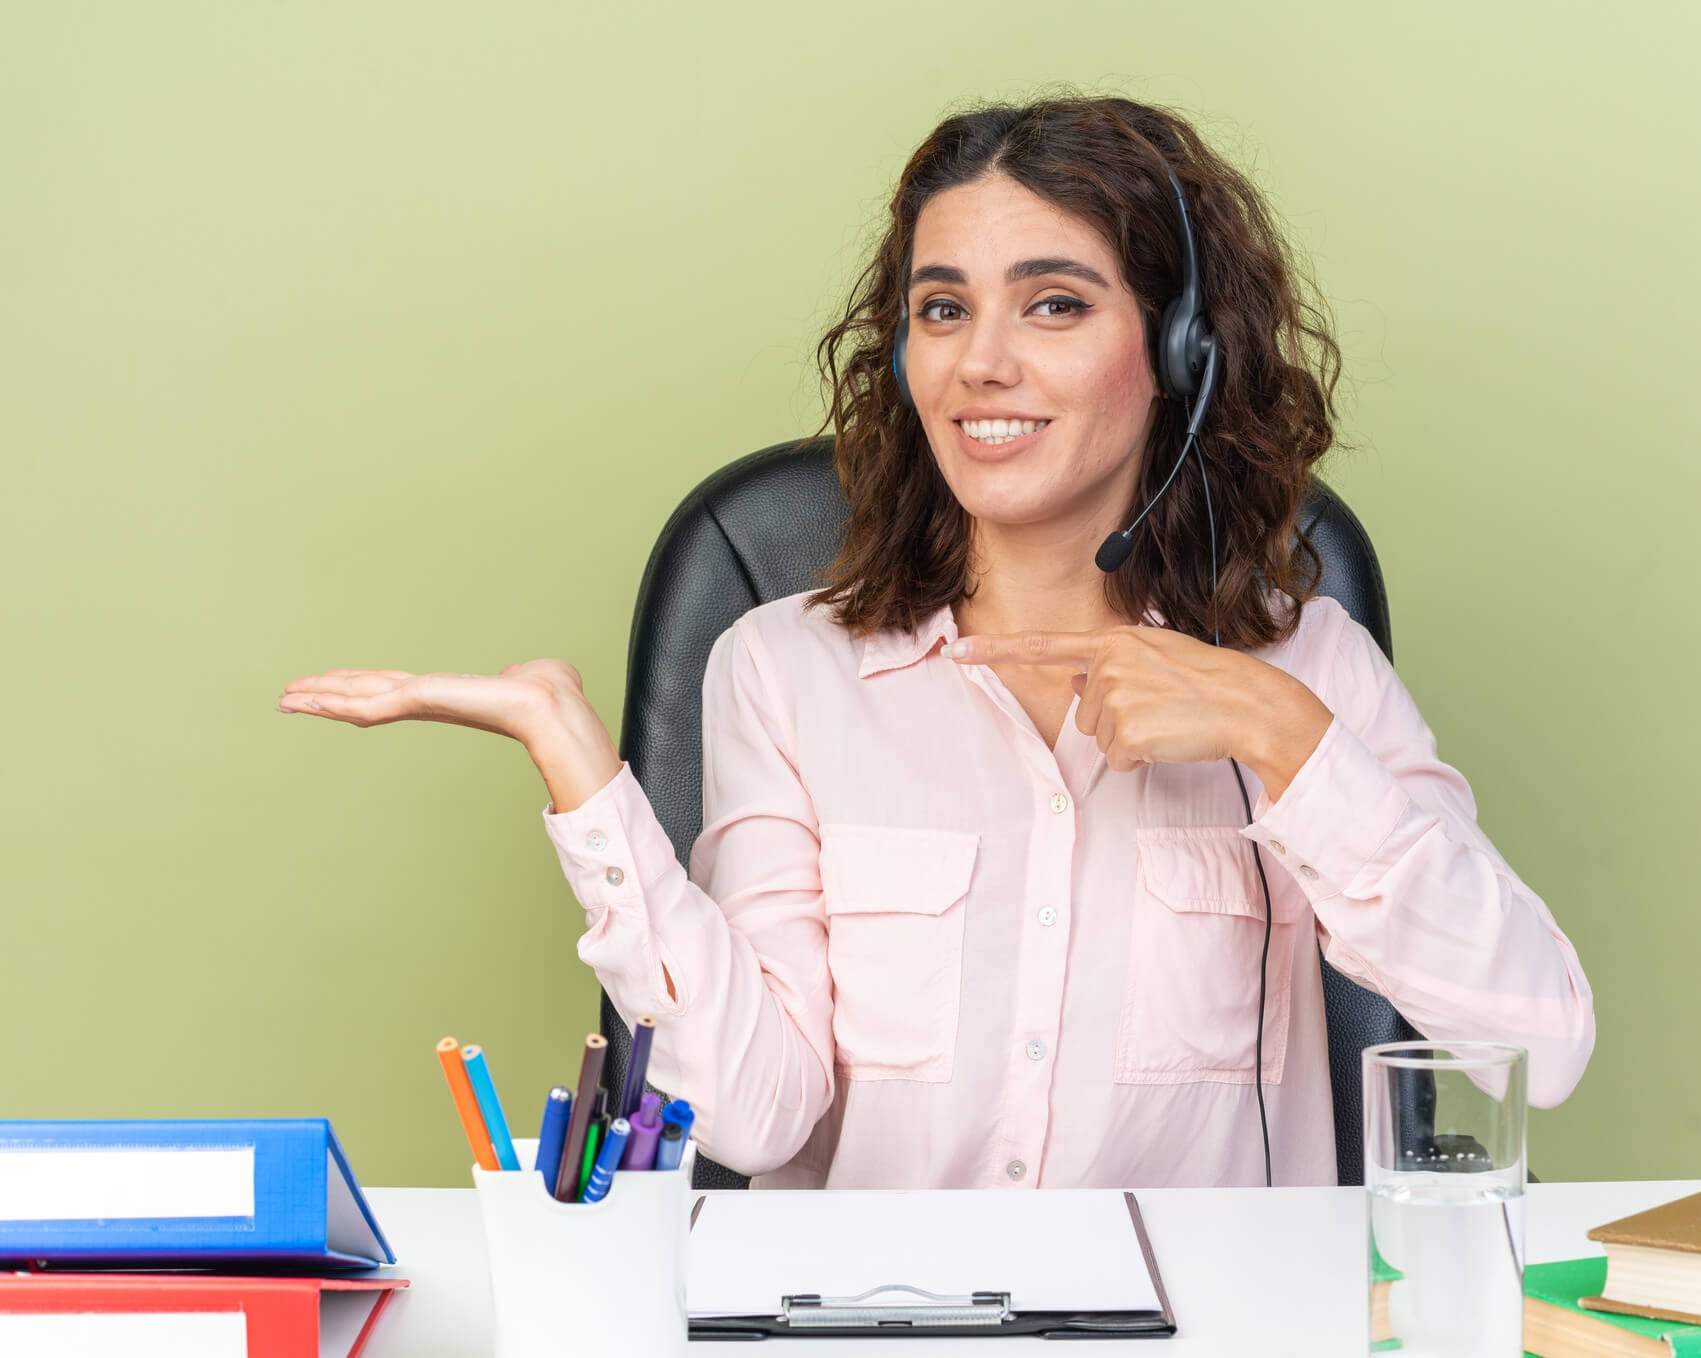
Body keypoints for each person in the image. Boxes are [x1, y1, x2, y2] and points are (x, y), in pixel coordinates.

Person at [278, 94, 1594, 1189]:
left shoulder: (1307, 672)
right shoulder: (782, 669)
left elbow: (1539, 1041)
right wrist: (582, 772)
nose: (981, 364)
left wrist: (1277, 731)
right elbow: (753, 1115)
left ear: (1179, 354)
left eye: (1056, 304)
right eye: (944, 309)